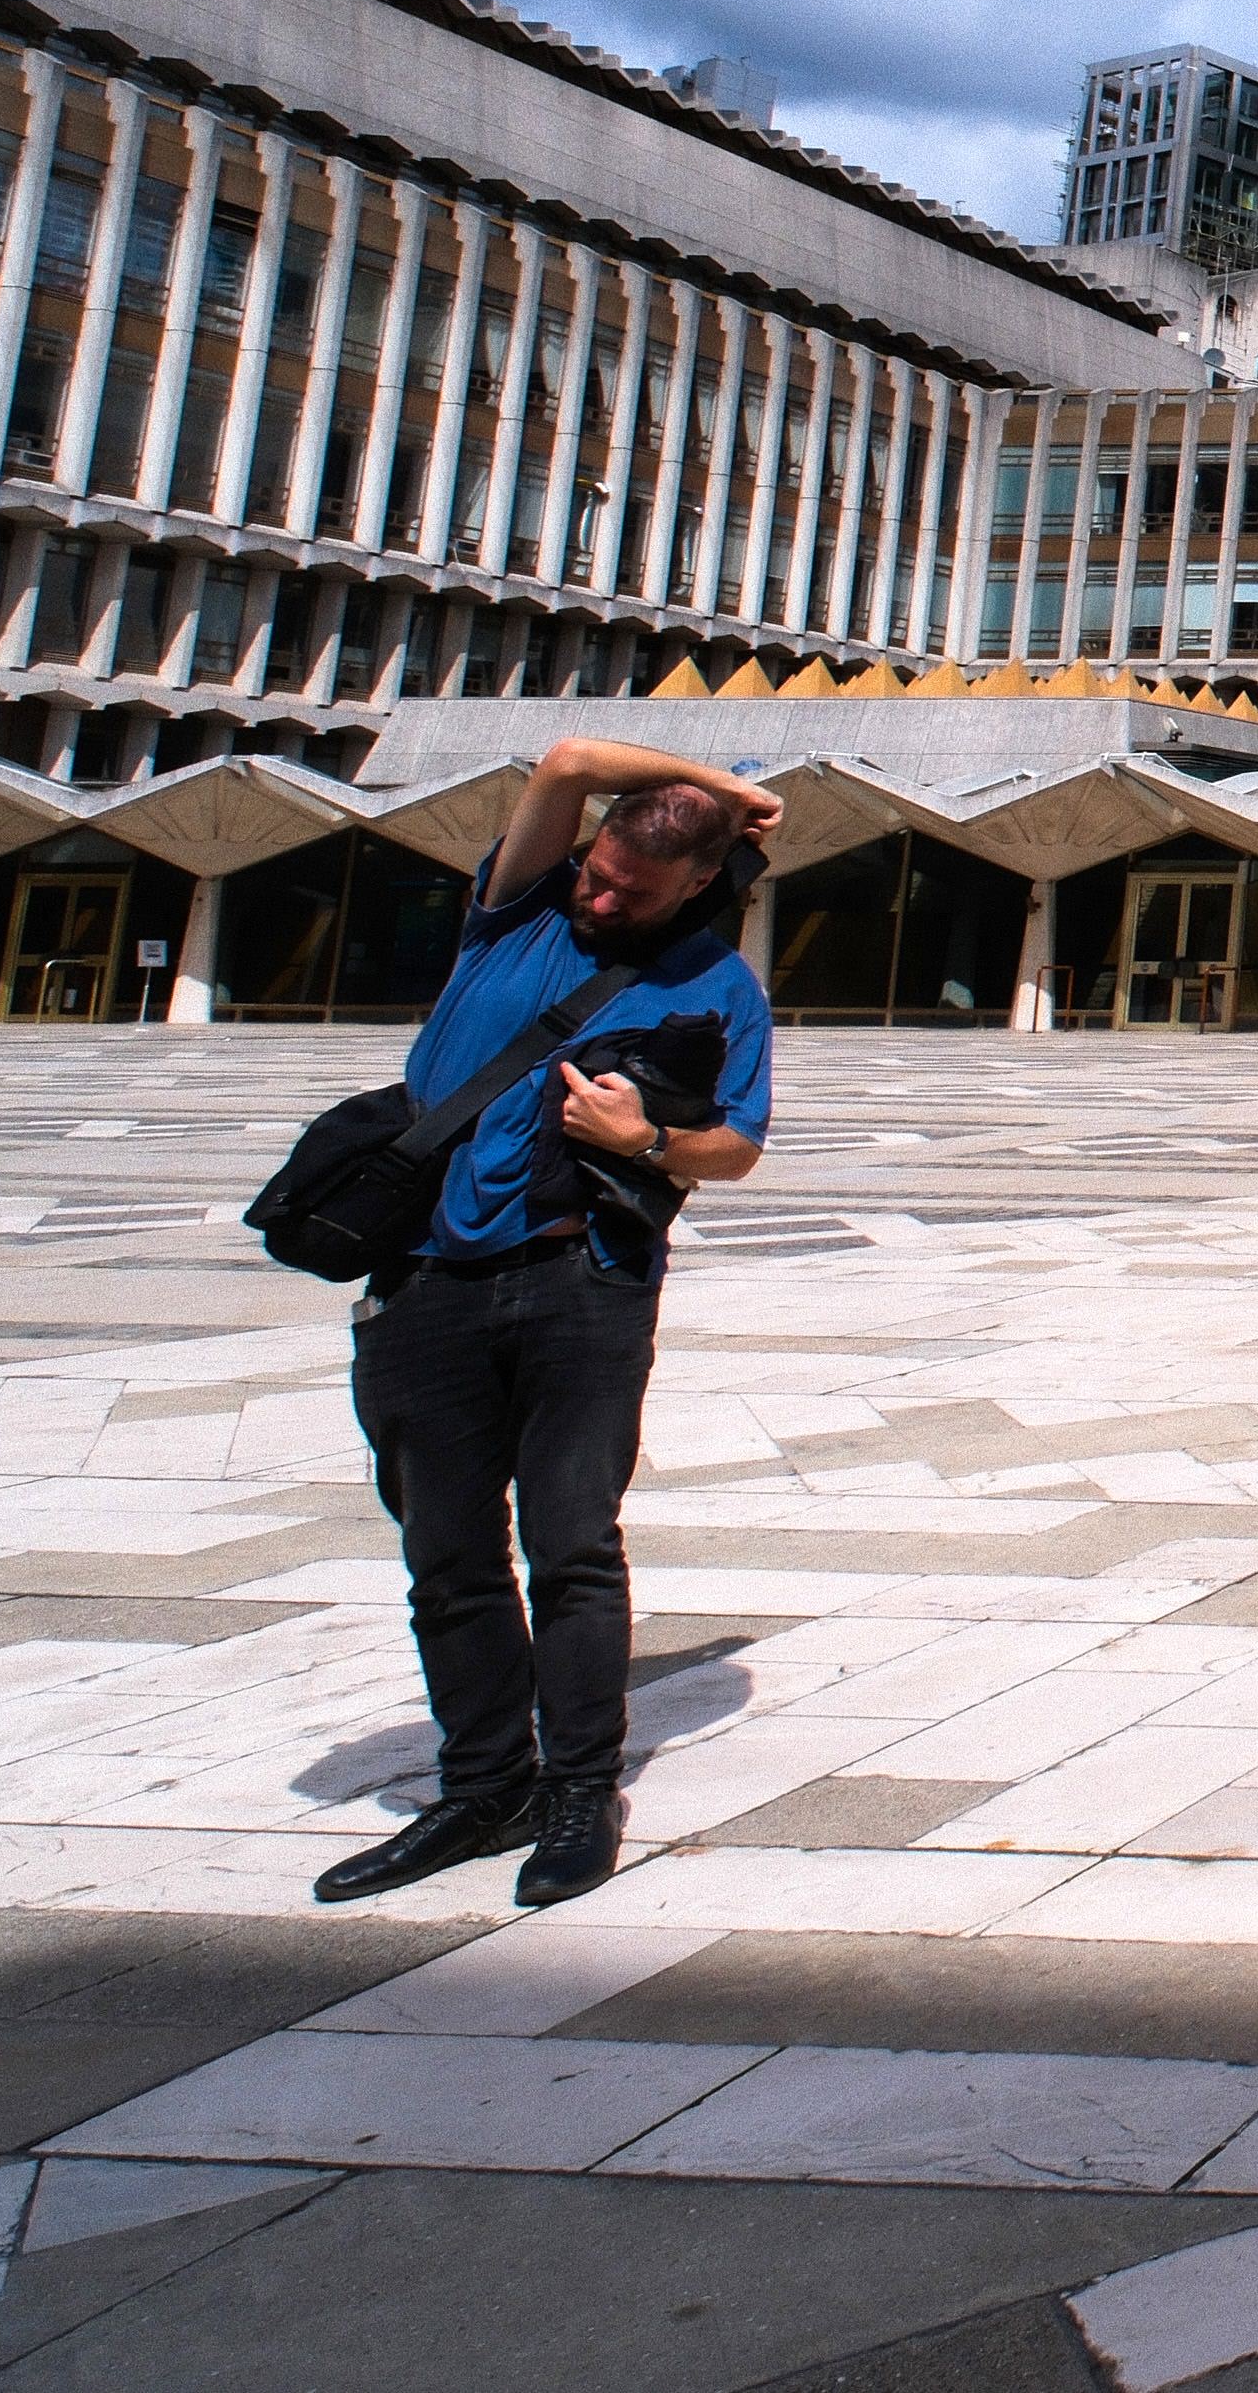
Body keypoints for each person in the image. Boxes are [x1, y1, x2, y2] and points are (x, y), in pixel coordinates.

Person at [311, 739, 783, 1909]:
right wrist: (727, 789)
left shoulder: (721, 987)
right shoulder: (519, 911)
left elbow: (737, 1146)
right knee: (446, 1554)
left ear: (699, 887)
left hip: (586, 1282)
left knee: (571, 1546)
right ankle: (482, 1787)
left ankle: (579, 1790)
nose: (603, 900)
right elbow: (568, 761)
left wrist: (646, 1141)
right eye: (601, 874)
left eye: (633, 892)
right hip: (427, 1279)